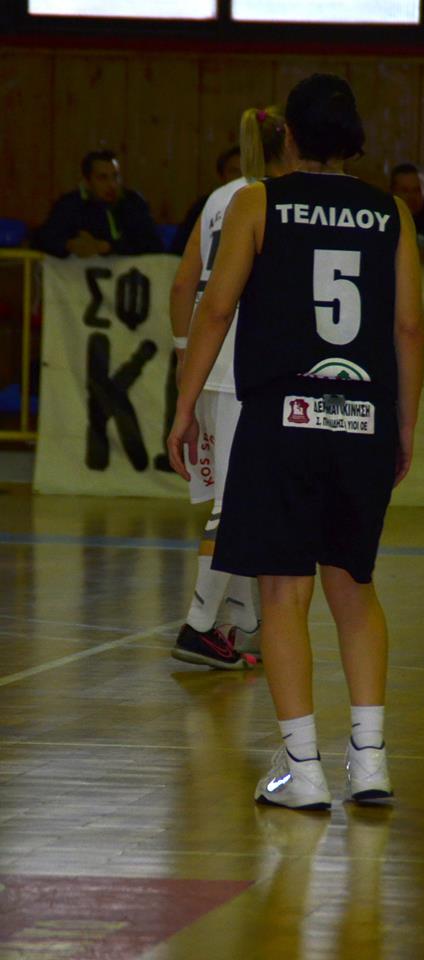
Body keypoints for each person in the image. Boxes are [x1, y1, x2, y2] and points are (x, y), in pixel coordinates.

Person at [167, 73, 424, 810]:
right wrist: (404, 424)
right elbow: (409, 327)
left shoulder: (258, 202)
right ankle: (369, 761)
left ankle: (302, 768)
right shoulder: (392, 213)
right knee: (355, 588)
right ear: (355, 140)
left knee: (284, 591)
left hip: (282, 417)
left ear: (288, 136)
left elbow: (216, 309)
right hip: (361, 417)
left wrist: (185, 406)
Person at [170, 106, 291, 671]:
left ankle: (241, 623)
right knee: (236, 504)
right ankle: (198, 625)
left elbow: (183, 284)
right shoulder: (275, 199)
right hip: (247, 364)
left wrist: (184, 356)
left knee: (237, 499)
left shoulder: (220, 197)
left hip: (209, 364)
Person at [34, 149, 163, 258]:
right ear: (86, 182)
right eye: (103, 178)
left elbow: (154, 245)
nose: (112, 185)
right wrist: (68, 245)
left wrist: (108, 247)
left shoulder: (133, 202)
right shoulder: (70, 204)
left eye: (115, 177)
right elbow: (41, 240)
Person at [170, 146, 242, 256]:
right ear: (222, 176)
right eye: (234, 171)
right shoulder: (205, 206)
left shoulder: (263, 205)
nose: (241, 177)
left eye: (247, 172)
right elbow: (180, 249)